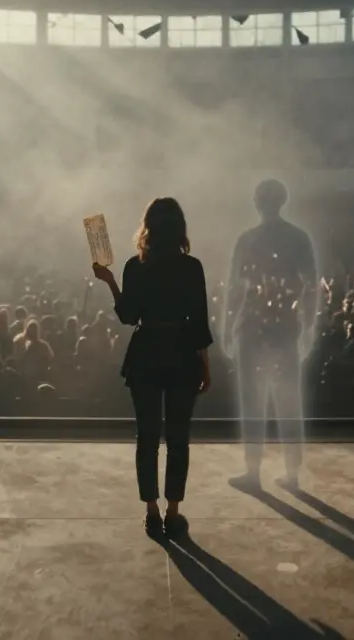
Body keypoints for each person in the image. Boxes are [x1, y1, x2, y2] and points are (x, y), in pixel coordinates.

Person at [92, 197, 213, 539]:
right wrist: (204, 365)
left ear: (148, 226)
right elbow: (200, 321)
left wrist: (110, 282)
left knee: (147, 438)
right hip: (182, 353)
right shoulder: (193, 268)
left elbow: (129, 316)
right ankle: (174, 511)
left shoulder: (136, 266)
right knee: (178, 439)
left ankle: (151, 511)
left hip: (146, 353)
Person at [223, 179, 317, 490]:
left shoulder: (247, 240)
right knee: (289, 400)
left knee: (253, 399)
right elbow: (310, 286)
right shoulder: (298, 238)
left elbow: (236, 289)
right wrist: (308, 326)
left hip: (251, 329)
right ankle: (292, 474)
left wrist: (227, 326)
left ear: (257, 203)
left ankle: (253, 472)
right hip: (285, 328)